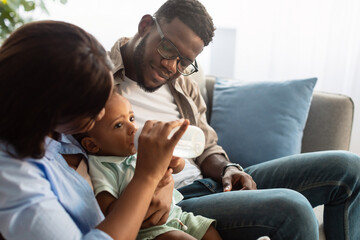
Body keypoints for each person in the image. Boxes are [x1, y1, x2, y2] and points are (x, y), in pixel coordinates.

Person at [108, 0, 360, 239]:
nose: (171, 67)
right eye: (168, 49)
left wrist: (228, 169)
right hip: (176, 200)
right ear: (145, 26)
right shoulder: (101, 84)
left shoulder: (183, 85)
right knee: (293, 209)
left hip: (211, 184)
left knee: (349, 168)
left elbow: (206, 147)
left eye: (184, 62)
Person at [0, 20, 189, 240]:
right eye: (92, 109)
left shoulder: (59, 132)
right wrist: (147, 178)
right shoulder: (14, 176)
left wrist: (162, 183)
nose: (101, 115)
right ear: (47, 108)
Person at [74, 91, 222, 240]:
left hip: (177, 215)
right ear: (92, 145)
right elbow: (108, 212)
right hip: (147, 230)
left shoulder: (142, 150)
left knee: (210, 233)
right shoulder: (101, 168)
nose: (132, 127)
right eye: (118, 125)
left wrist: (175, 162)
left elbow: (177, 168)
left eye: (131, 118)